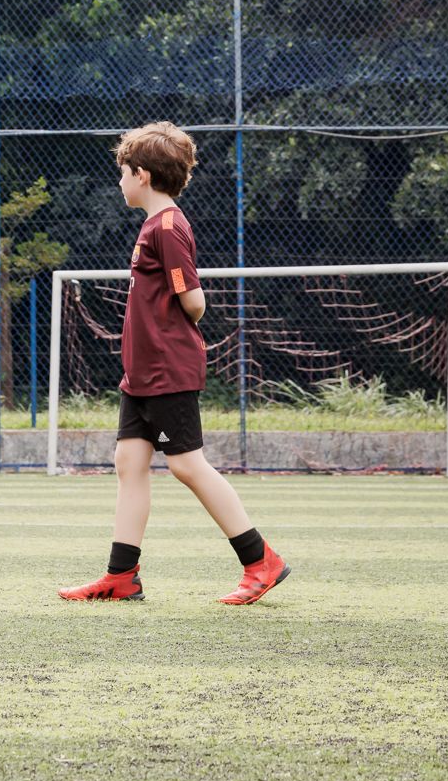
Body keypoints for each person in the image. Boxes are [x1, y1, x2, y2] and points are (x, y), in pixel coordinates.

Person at [58, 121, 290, 605]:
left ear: (141, 174)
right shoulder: (154, 225)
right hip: (142, 374)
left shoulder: (167, 226)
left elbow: (195, 302)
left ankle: (260, 560)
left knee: (187, 465)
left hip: (167, 370)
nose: (120, 181)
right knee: (129, 462)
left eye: (123, 173)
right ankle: (121, 576)